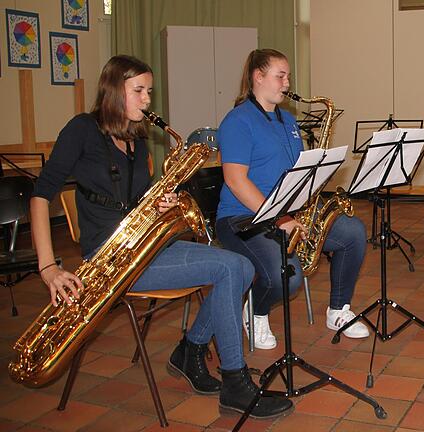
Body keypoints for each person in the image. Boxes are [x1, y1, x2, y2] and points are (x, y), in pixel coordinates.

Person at [30, 55, 292, 419]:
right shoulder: (82, 129)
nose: (147, 100)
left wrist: (161, 202)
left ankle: (191, 349)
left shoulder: (135, 141)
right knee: (232, 269)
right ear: (111, 91)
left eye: (149, 91)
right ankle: (233, 381)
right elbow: (41, 194)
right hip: (110, 261)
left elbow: (135, 202)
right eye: (138, 91)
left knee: (243, 266)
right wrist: (48, 267)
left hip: (147, 246)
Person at [215, 49, 369, 350]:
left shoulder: (287, 120)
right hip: (242, 218)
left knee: (353, 232)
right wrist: (279, 218)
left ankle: (338, 310)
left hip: (285, 213)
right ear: (258, 77)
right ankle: (255, 312)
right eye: (280, 76)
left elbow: (296, 171)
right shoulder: (237, 121)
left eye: (288, 76)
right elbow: (235, 180)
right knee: (286, 277)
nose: (287, 83)